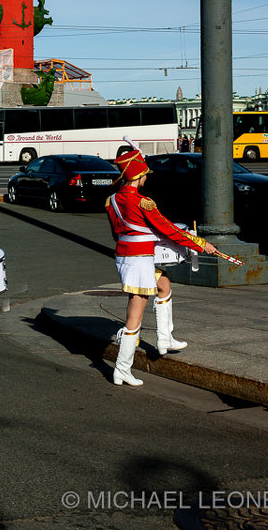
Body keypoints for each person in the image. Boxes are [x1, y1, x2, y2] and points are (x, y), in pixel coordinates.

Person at [107, 140, 219, 386]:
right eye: (145, 174)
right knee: (134, 318)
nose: (147, 177)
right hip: (139, 262)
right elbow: (168, 229)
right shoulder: (143, 202)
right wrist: (200, 243)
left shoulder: (112, 200)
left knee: (164, 286)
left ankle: (164, 339)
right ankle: (122, 369)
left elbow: (117, 233)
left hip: (126, 257)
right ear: (137, 176)